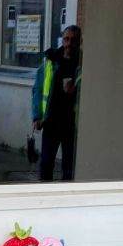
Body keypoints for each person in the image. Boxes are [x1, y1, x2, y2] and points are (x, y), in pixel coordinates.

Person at [32, 25, 81, 181]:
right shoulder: (51, 61)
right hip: (51, 121)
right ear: (62, 39)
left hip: (72, 124)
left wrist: (76, 90)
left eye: (73, 40)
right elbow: (38, 90)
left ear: (79, 42)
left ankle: (65, 199)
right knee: (46, 164)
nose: (69, 43)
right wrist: (36, 116)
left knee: (69, 167)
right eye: (66, 39)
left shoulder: (84, 63)